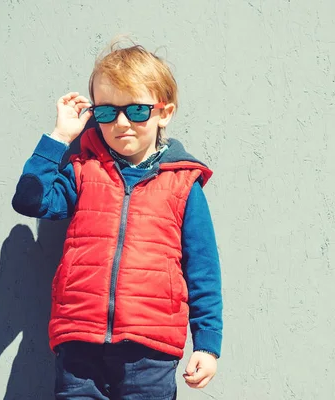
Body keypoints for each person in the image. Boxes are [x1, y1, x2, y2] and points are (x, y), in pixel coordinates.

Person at [11, 40, 223, 399]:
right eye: (107, 112)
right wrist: (60, 136)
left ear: (164, 113)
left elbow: (203, 269)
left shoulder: (184, 183)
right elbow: (30, 201)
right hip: (78, 340)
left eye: (137, 111)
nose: (121, 123)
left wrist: (207, 344)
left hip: (150, 348)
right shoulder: (82, 170)